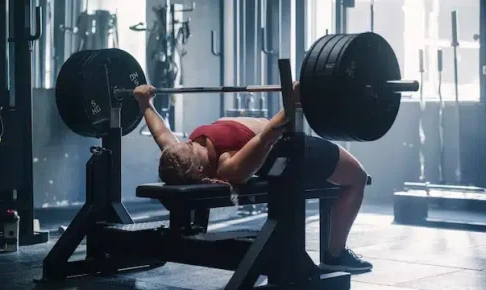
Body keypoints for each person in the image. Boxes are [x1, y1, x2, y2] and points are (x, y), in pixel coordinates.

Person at [134, 83, 372, 273]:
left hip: (278, 138)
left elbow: (162, 133)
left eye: (188, 143)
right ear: (201, 172)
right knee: (357, 177)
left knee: (342, 178)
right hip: (284, 148)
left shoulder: (180, 154)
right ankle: (335, 254)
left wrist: (145, 103)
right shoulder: (229, 166)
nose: (192, 143)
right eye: (193, 148)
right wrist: (294, 101)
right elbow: (267, 137)